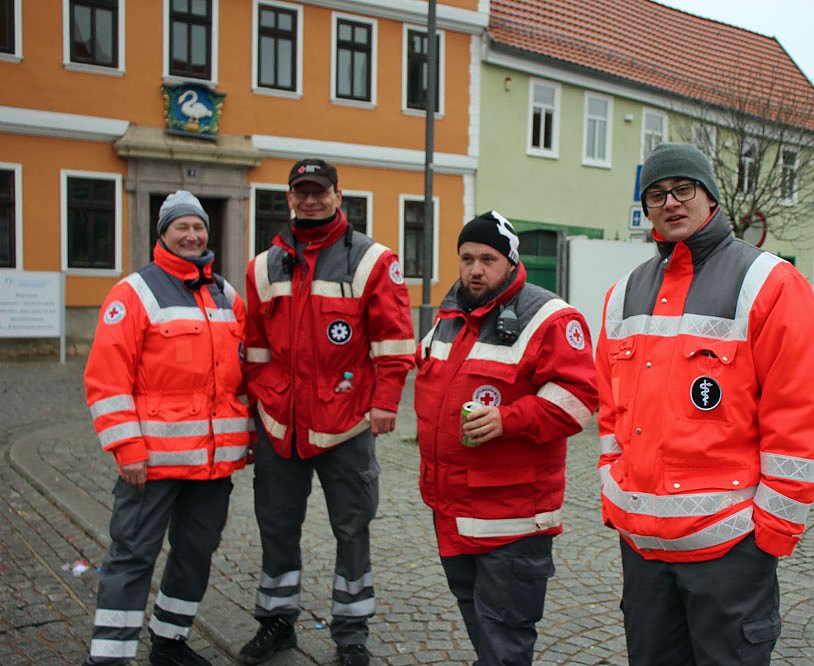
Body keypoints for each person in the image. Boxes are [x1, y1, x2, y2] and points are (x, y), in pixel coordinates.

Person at [595, 143, 814, 665]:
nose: (670, 202)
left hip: (731, 549)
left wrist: (771, 530)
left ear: (710, 196)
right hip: (643, 550)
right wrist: (614, 488)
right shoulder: (623, 294)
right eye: (656, 194)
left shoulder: (769, 283)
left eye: (683, 189)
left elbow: (803, 410)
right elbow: (610, 408)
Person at [239, 159, 415, 666]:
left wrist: (385, 402)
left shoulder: (372, 261)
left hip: (346, 424)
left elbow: (394, 340)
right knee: (276, 527)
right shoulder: (263, 266)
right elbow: (254, 349)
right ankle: (275, 622)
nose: (310, 200)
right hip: (282, 425)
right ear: (290, 198)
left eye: (319, 191)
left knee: (352, 530)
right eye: (301, 192)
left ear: (339, 196)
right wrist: (260, 406)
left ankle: (351, 633)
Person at [414, 211, 599, 666]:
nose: (475, 270)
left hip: (512, 519)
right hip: (452, 508)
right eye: (467, 259)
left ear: (511, 262)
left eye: (488, 259)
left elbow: (581, 399)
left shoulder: (550, 317)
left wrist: (508, 419)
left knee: (504, 635)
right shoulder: (450, 315)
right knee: (482, 626)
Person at [82, 190, 251, 666]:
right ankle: (109, 656)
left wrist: (249, 437)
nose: (192, 236)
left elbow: (242, 378)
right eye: (182, 227)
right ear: (163, 234)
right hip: (152, 464)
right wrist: (127, 449)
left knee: (196, 552)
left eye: (198, 227)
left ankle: (169, 641)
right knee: (133, 555)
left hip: (213, 464)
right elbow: (106, 380)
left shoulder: (226, 295)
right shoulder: (133, 293)